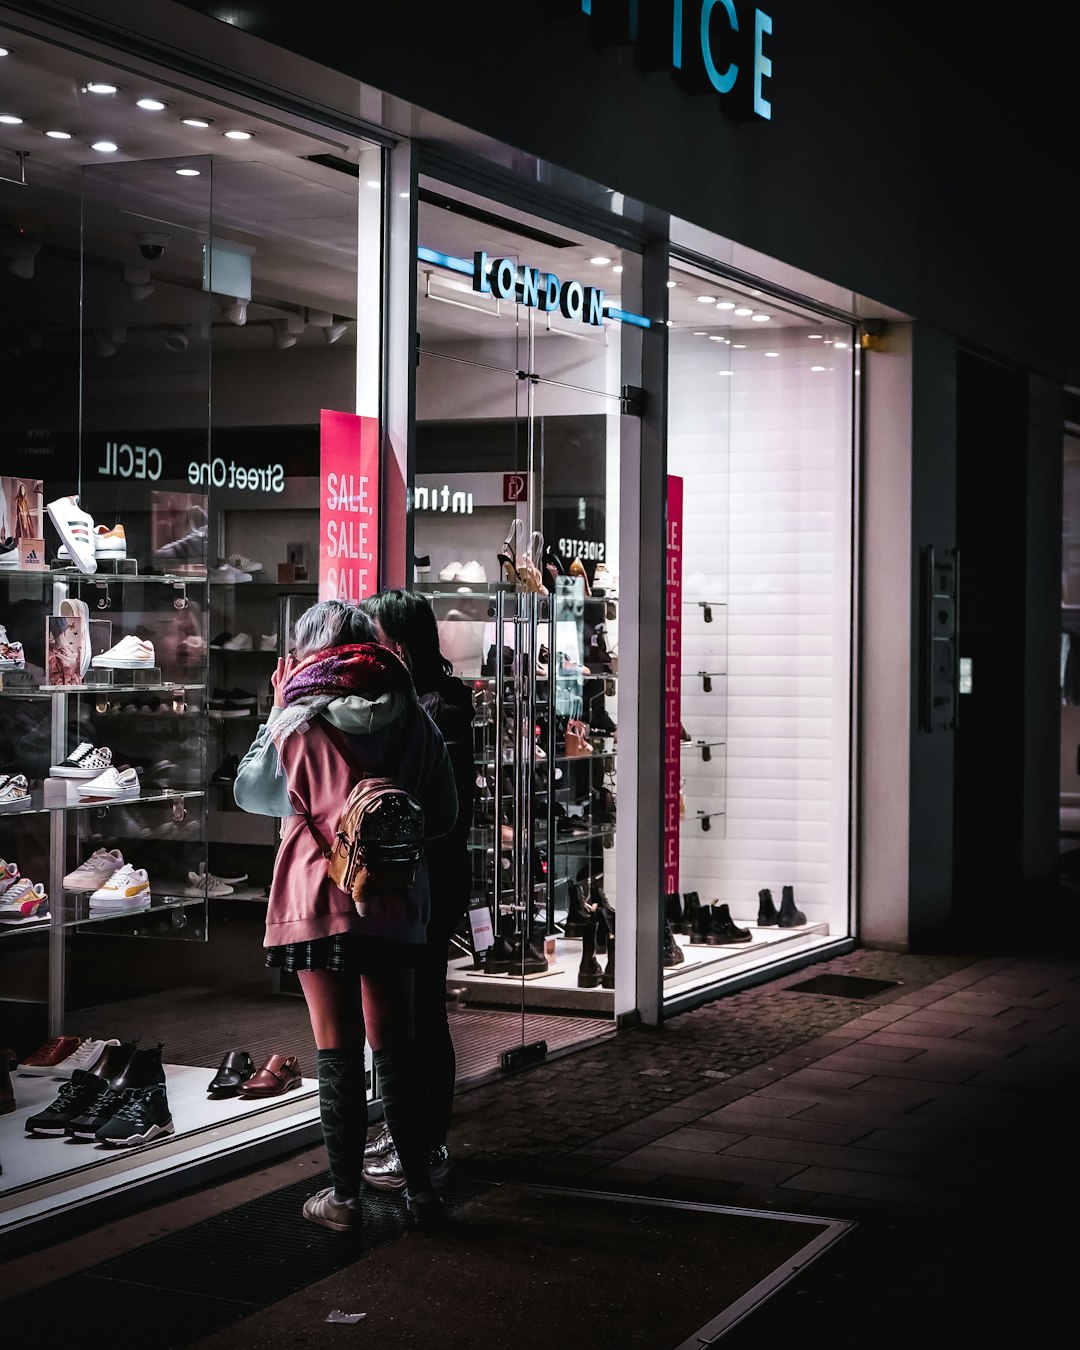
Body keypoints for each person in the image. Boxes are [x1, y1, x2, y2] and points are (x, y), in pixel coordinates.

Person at [233, 599, 458, 1232]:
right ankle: (421, 1194)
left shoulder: (297, 722)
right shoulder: (414, 717)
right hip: (393, 898)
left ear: (310, 655)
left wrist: (277, 709)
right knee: (398, 1046)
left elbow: (251, 793)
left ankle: (344, 1199)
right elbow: (442, 818)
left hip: (316, 900)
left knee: (336, 1047)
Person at [359, 589, 476, 1191]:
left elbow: (447, 811)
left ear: (398, 644)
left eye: (374, 637)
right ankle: (411, 1132)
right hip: (412, 881)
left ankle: (425, 1143)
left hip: (427, 882)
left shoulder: (437, 711)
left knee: (423, 1013)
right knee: (406, 1013)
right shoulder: (415, 703)